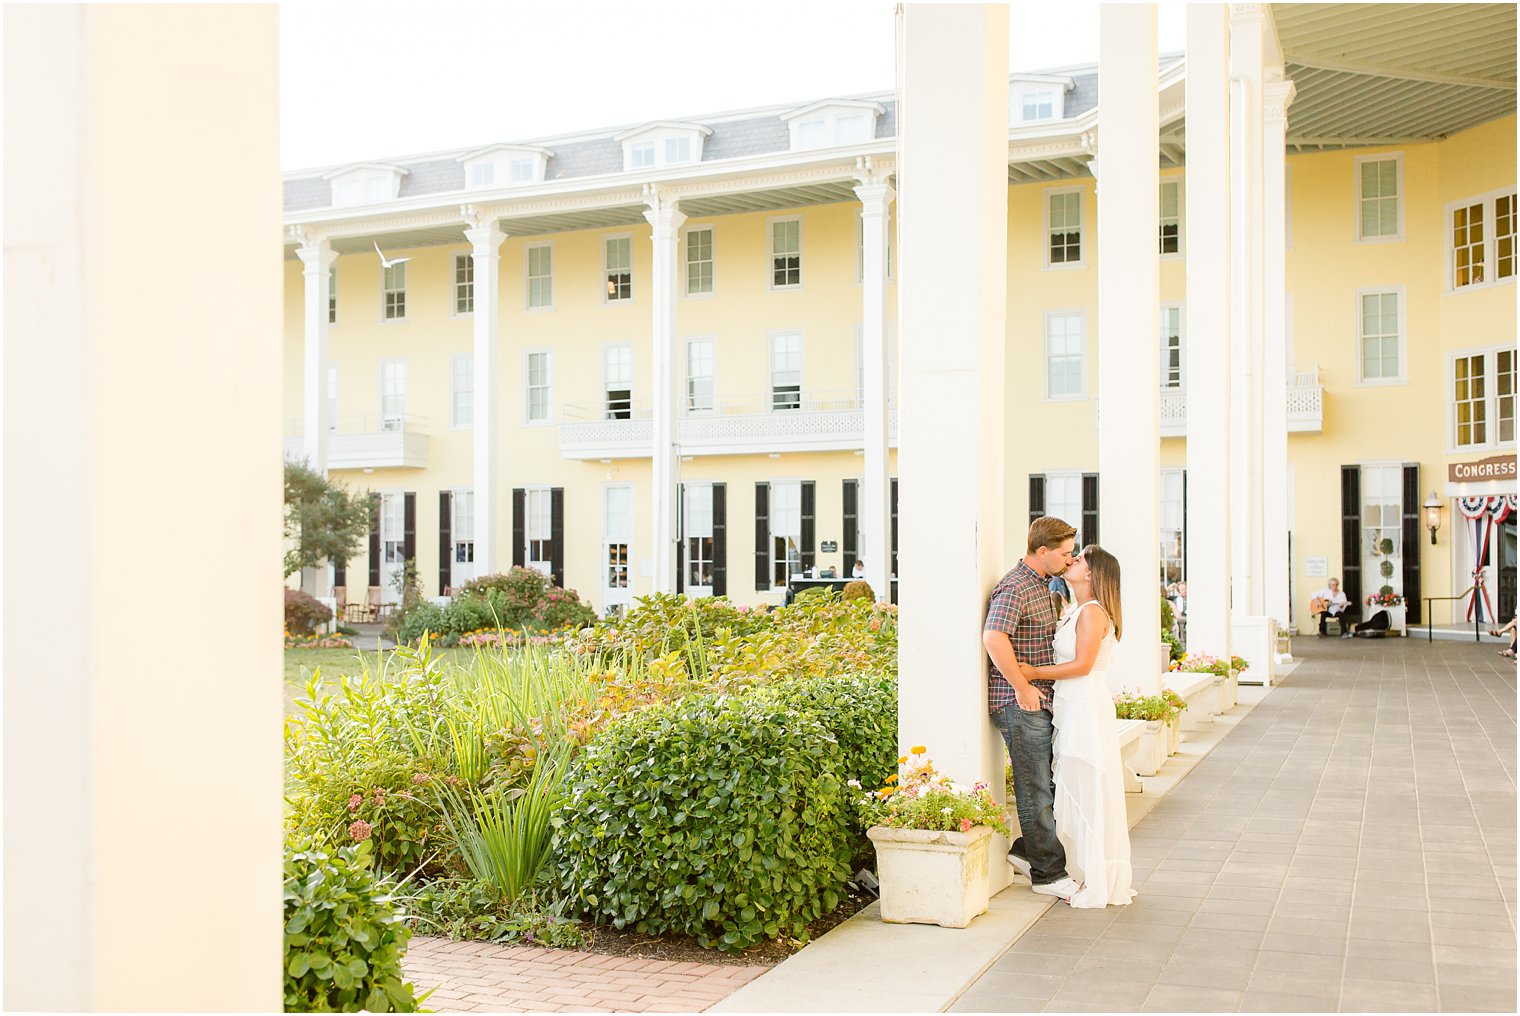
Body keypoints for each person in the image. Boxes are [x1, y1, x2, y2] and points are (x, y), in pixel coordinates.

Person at [1016, 545, 1136, 909]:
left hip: (1085, 706)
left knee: (1088, 790)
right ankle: (1084, 870)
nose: (1072, 560)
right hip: (1071, 705)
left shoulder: (1093, 613)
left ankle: (1098, 877)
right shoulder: (1075, 609)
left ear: (1091, 574)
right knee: (1074, 787)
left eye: (1080, 559)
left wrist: (1033, 673)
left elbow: (1083, 665)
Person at [982, 516, 1081, 902]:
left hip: (1041, 702)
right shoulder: (1015, 586)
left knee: (1048, 786)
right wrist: (1021, 687)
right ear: (1042, 551)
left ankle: (1028, 850)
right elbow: (993, 636)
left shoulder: (1045, 585)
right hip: (1019, 704)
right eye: (1065, 553)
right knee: (1035, 789)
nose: (1070, 560)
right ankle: (1047, 874)